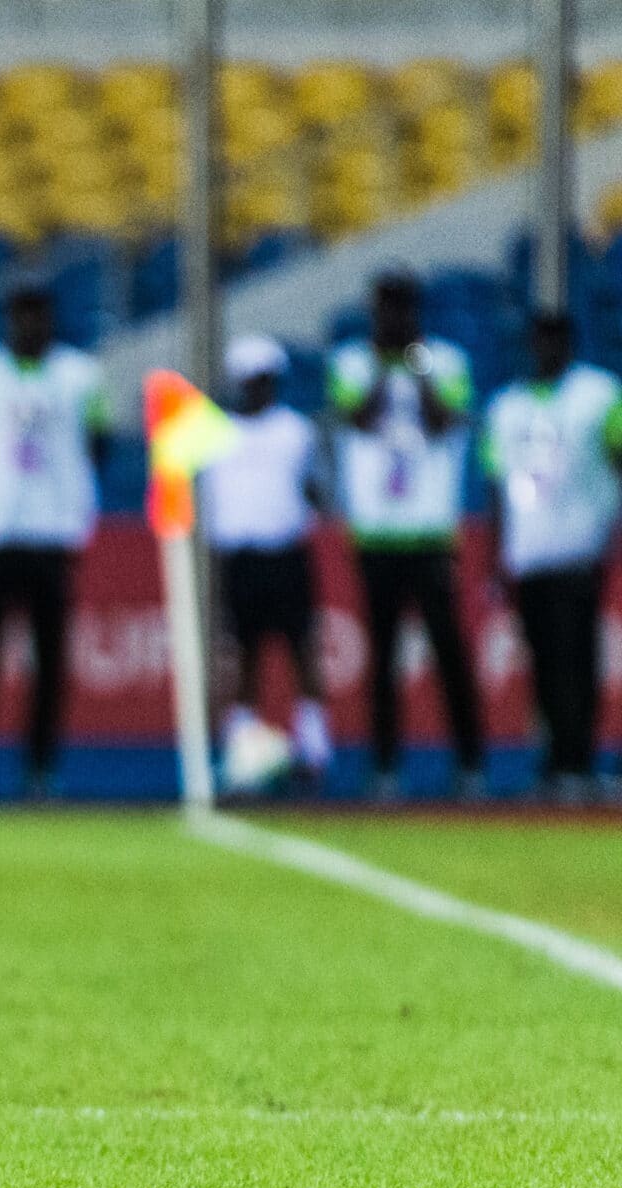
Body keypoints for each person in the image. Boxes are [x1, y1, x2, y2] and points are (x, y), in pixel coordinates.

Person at [0, 285, 110, 799]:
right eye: (23, 317)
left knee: (50, 661)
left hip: (51, 535)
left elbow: (99, 443)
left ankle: (40, 768)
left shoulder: (83, 376)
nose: (32, 327)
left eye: (40, 317)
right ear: (10, 320)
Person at [329, 270, 486, 799]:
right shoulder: (352, 362)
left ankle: (469, 763)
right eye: (384, 310)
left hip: (430, 531)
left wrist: (417, 369)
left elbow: (444, 421)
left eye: (401, 309)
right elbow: (358, 417)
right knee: (383, 656)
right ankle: (385, 766)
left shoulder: (447, 362)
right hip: (375, 534)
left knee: (449, 650)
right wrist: (383, 367)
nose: (393, 320)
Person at [481, 313, 622, 804]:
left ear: (569, 342)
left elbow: (618, 454)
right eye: (539, 339)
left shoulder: (599, 394)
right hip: (529, 551)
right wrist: (499, 553)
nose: (546, 349)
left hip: (581, 546)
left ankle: (578, 760)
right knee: (543, 660)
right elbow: (496, 482)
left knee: (577, 660)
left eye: (555, 339)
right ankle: (553, 761)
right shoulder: (505, 407)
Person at [203, 334, 332, 783]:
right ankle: (243, 752)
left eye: (263, 380)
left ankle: (313, 748)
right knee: (241, 658)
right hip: (239, 559)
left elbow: (316, 490)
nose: (256, 388)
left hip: (286, 554)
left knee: (303, 651)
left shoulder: (296, 431)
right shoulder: (216, 434)